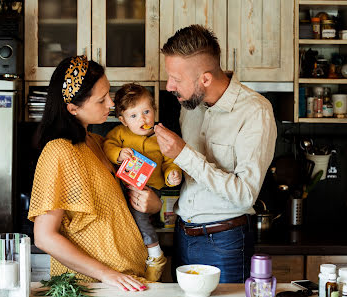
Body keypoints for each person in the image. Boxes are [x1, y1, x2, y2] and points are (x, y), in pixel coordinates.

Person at [28, 56, 163, 292]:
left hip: (127, 281)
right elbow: (44, 236)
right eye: (101, 100)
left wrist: (153, 204)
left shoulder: (99, 144)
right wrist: (107, 274)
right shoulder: (59, 151)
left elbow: (124, 207)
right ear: (72, 108)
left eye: (109, 94)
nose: (111, 104)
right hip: (92, 287)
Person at [154, 24, 277, 283]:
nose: (168, 86)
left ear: (205, 79)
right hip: (183, 235)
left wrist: (184, 154)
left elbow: (245, 195)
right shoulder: (190, 104)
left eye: (176, 79)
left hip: (225, 242)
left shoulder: (255, 112)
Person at [103, 83, 182, 281]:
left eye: (146, 111)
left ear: (155, 110)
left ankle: (155, 253)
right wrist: (119, 154)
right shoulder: (119, 134)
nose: (143, 119)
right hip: (124, 184)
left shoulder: (162, 137)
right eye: (134, 116)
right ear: (122, 120)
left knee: (139, 216)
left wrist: (172, 175)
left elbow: (170, 162)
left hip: (150, 188)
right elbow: (107, 146)